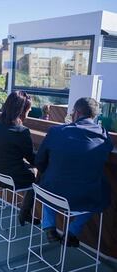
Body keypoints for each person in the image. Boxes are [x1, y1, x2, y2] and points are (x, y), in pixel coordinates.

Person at [35, 97, 113, 247]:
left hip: (52, 195)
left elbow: (39, 161)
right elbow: (106, 150)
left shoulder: (56, 131)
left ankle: (49, 226)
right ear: (94, 116)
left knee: (50, 182)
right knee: (103, 198)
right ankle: (72, 231)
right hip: (83, 199)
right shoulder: (103, 135)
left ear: (76, 113)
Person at [0, 91, 39, 225]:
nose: (31, 110)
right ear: (22, 110)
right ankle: (25, 213)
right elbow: (33, 160)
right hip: (10, 178)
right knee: (38, 175)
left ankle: (25, 213)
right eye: (29, 108)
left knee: (30, 169)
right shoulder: (22, 132)